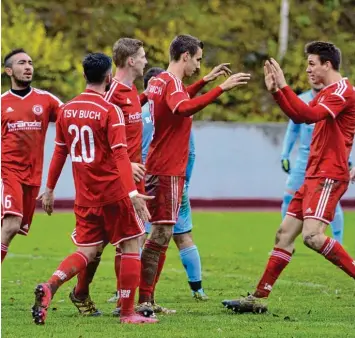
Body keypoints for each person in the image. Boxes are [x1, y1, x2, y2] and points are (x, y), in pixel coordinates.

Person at [223, 41, 355, 314]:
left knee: (312, 236)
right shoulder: (326, 92)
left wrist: (283, 86)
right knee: (284, 235)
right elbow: (299, 116)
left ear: (327, 65)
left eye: (311, 64)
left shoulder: (342, 91)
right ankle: (258, 298)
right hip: (312, 174)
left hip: (328, 175)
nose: (307, 70)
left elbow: (307, 114)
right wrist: (276, 92)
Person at [31, 52, 157, 325]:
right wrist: (133, 194)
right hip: (114, 191)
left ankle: (51, 285)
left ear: (84, 76)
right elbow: (121, 156)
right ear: (109, 77)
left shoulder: (67, 110)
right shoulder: (109, 110)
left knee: (87, 251)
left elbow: (59, 153)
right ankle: (127, 313)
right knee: (131, 244)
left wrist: (49, 189)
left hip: (86, 194)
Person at [138, 34, 251, 313]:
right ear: (185, 56)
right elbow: (182, 106)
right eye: (198, 60)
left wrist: (205, 81)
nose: (199, 66)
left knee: (157, 234)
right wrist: (221, 88)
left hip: (156, 165)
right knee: (161, 235)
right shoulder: (173, 84)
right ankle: (142, 300)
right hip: (168, 169)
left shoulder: (158, 80)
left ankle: (143, 299)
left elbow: (176, 99)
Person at [72, 38, 149, 316]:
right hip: (114, 179)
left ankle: (121, 301)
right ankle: (85, 294)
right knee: (105, 243)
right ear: (130, 60)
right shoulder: (111, 91)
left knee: (127, 240)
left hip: (131, 175)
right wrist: (127, 164)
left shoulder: (130, 91)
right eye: (142, 56)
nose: (146, 61)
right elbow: (95, 129)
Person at [142, 67, 209, 302]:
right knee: (180, 235)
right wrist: (185, 182)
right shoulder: (175, 113)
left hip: (144, 179)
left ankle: (128, 292)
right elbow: (190, 151)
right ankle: (196, 290)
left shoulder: (139, 111)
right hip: (169, 177)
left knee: (141, 236)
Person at [1, 48, 62, 263]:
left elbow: (70, 119)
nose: (28, 67)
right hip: (8, 172)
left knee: (13, 228)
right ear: (9, 71)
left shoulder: (46, 100)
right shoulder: (2, 103)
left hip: (33, 176)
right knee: (10, 225)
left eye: (30, 63)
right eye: (21, 63)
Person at [280, 84, 350, 243]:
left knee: (331, 202)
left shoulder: (337, 99)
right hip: (304, 160)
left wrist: (349, 158)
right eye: (310, 66)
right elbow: (292, 129)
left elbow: (346, 132)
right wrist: (285, 153)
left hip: (326, 160)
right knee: (288, 197)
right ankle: (287, 239)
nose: (312, 72)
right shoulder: (301, 100)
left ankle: (338, 241)